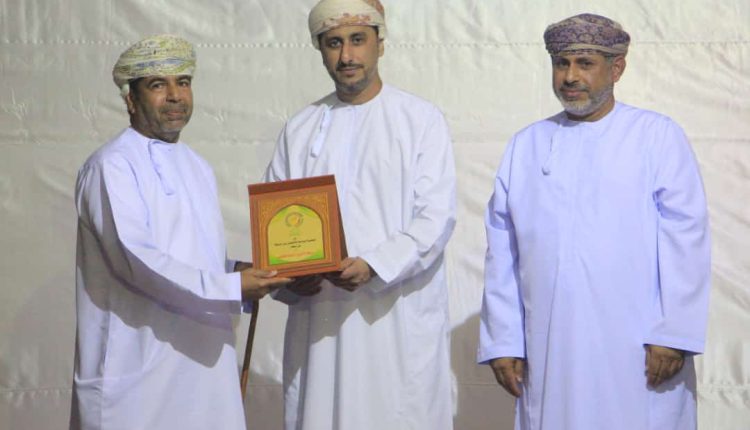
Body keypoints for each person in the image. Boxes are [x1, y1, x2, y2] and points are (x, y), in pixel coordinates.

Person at [477, 13, 711, 430]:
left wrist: (674, 333)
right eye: (561, 63)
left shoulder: (656, 135)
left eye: (585, 63)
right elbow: (502, 251)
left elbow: (686, 238)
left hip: (639, 347)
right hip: (550, 345)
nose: (570, 76)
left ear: (616, 68)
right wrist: (504, 340)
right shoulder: (526, 145)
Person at [70, 34, 290, 430]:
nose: (175, 96)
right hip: (137, 368)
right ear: (130, 99)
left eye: (183, 82)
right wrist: (230, 286)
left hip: (203, 367)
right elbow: (136, 261)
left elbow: (190, 252)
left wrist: (235, 270)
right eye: (158, 85)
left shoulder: (197, 165)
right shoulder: (111, 166)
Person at [263, 1, 456, 428]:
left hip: (394, 317)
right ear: (320, 49)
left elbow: (436, 217)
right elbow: (278, 219)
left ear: (379, 44)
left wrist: (375, 264)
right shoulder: (300, 128)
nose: (347, 56)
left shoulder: (419, 120)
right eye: (334, 43)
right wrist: (292, 276)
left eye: (357, 40)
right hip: (321, 319)